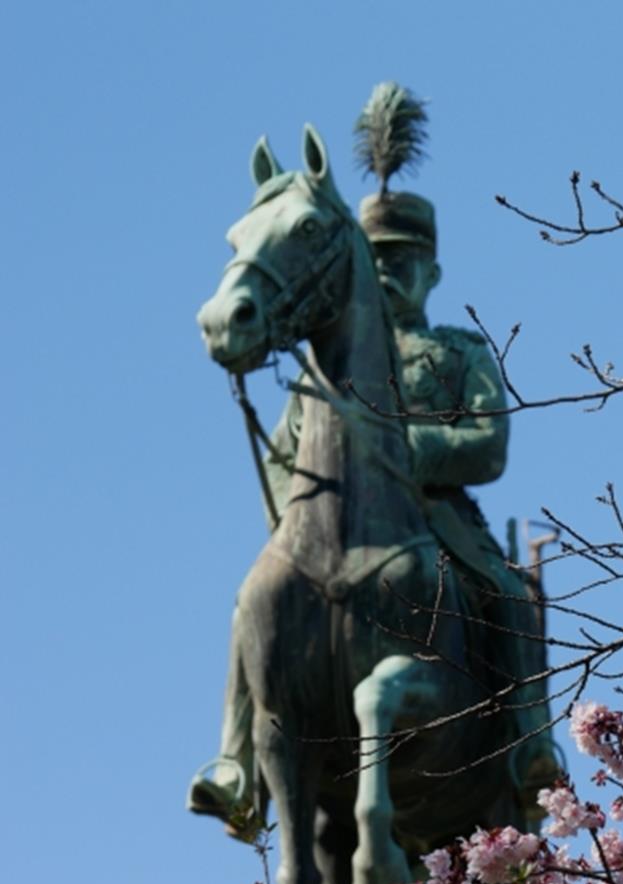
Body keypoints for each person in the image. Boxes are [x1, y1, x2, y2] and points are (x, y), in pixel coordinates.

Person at [188, 190, 559, 839]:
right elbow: (281, 456)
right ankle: (237, 762)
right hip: (331, 531)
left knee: (509, 594)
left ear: (432, 273)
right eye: (379, 257)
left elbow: (488, 445)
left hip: (440, 520)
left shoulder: (456, 352)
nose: (389, 270)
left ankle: (531, 748)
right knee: (254, 601)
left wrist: (407, 450)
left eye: (406, 260)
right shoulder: (323, 372)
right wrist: (297, 520)